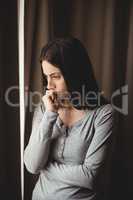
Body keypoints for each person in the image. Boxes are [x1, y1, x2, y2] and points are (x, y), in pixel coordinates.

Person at [24, 37, 116, 200]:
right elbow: (32, 165)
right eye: (46, 77)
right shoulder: (45, 107)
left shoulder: (103, 114)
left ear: (75, 74)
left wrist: (46, 167)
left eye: (56, 76)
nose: (49, 85)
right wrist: (50, 116)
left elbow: (90, 176)